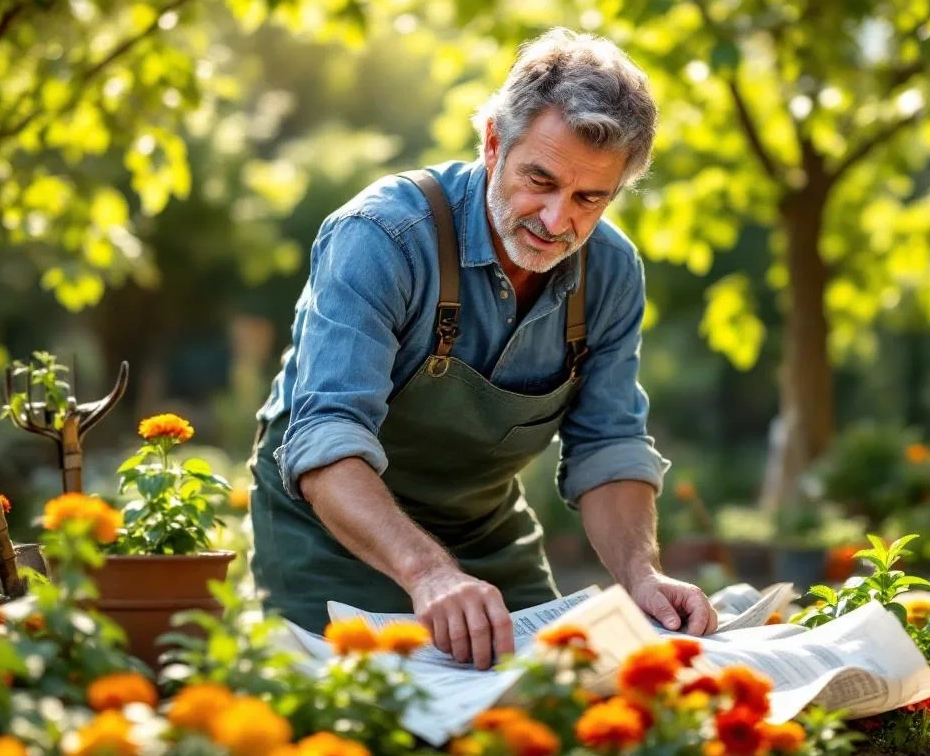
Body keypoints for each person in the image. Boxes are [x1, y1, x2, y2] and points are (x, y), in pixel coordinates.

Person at [248, 27, 717, 670]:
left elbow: (609, 444)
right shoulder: (382, 237)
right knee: (361, 711)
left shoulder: (612, 272)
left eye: (589, 198)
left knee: (559, 695)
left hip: (483, 534)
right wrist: (428, 574)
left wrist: (642, 576)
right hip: (329, 531)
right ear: (494, 142)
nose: (556, 221)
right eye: (539, 180)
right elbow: (326, 438)